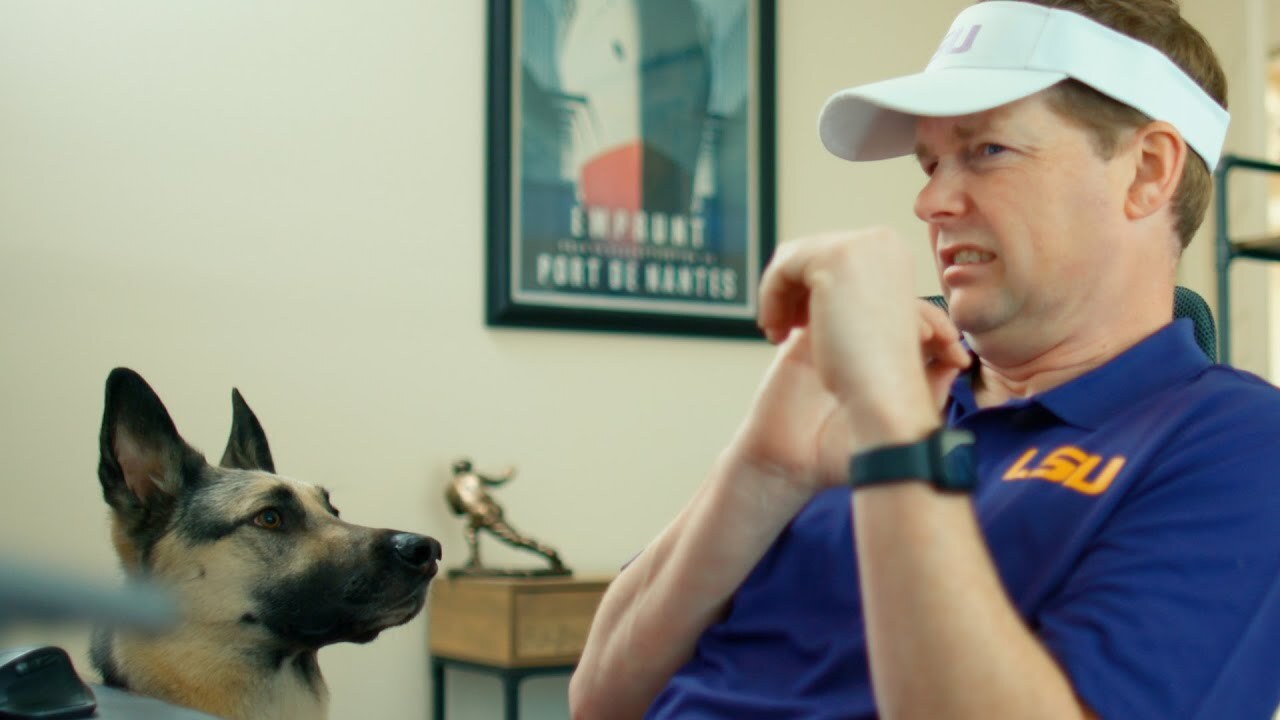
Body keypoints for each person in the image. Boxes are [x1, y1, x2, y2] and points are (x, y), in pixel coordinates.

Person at [569, 1, 1280, 718]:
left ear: (1147, 172)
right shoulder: (873, 400)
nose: (930, 199)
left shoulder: (1237, 443)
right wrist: (766, 465)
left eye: (987, 151)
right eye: (931, 162)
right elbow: (600, 696)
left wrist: (893, 436)